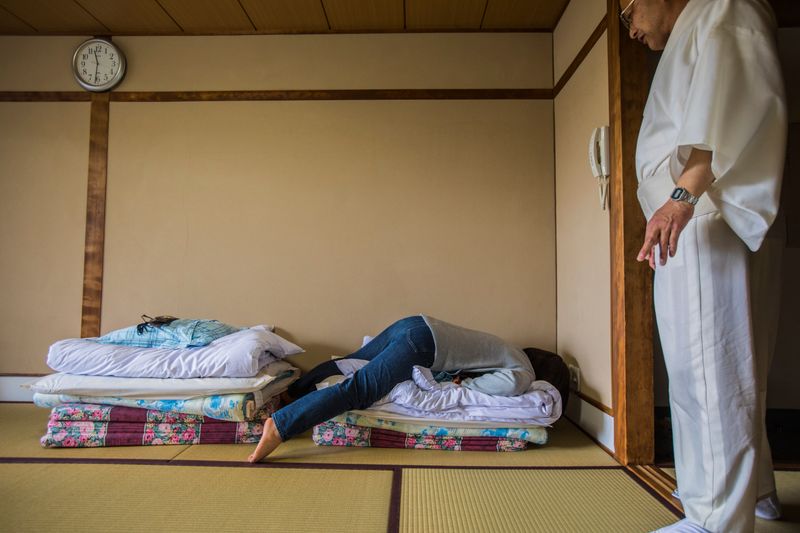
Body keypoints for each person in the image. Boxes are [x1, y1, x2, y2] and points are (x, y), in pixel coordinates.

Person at [622, 0, 788, 531]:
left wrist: (680, 198)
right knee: (737, 366)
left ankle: (715, 518)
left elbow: (728, 110)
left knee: (706, 371)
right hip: (703, 217)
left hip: (703, 219)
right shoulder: (707, 20)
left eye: (628, 12)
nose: (631, 29)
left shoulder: (723, 8)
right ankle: (755, 490)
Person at [247, 315, 535, 463]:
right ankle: (280, 426)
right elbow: (481, 387)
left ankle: (291, 393)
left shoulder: (510, 350)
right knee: (357, 390)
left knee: (351, 362)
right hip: (421, 345)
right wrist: (461, 383)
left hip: (415, 324)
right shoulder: (524, 373)